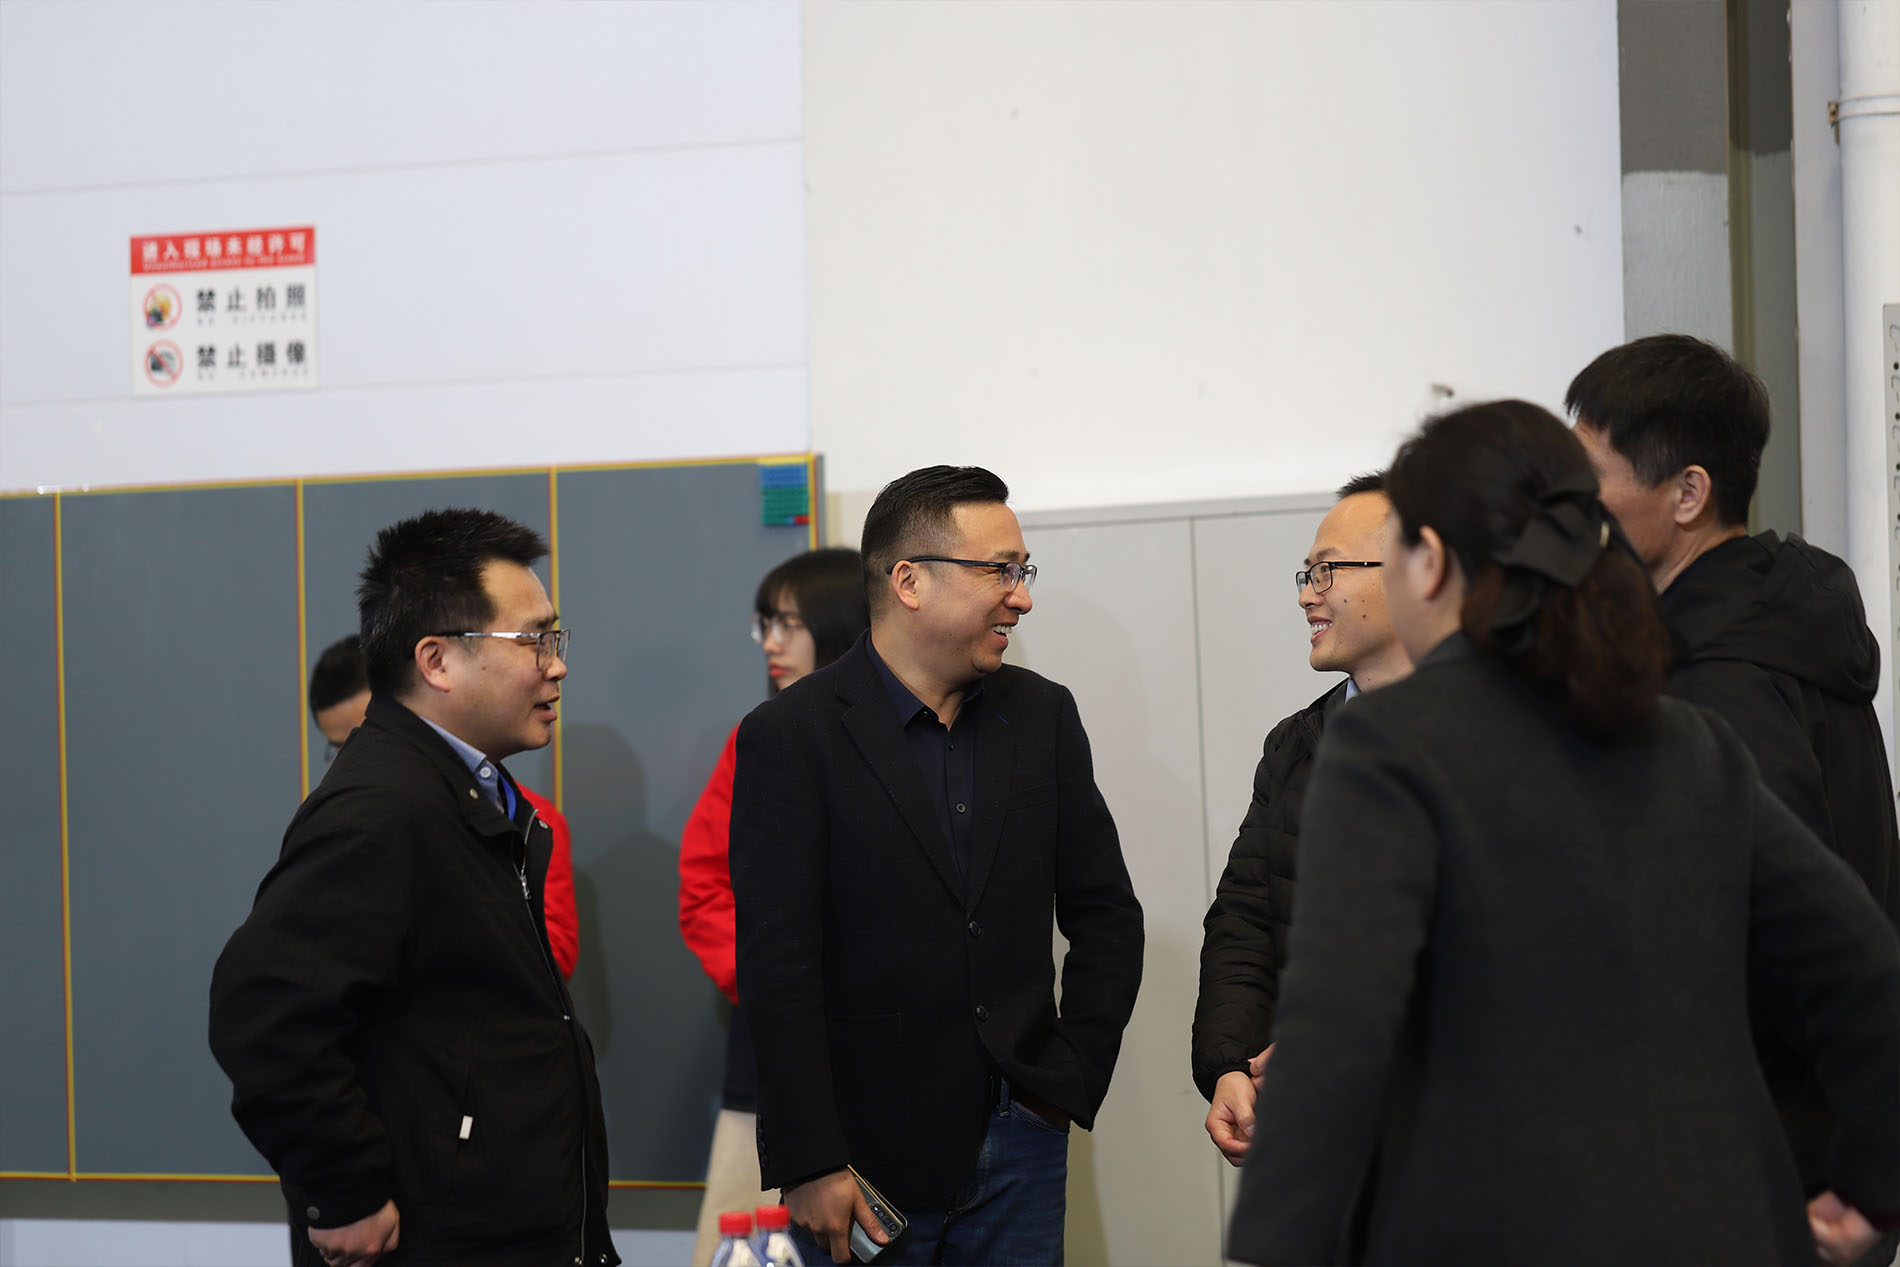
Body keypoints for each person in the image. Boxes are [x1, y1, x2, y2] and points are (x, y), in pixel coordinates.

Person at [1226, 401, 1900, 1267]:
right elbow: (1864, 968)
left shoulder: (1392, 745)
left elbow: (1338, 1025)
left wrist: (1281, 1237)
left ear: (1432, 563)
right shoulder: (1688, 741)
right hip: (1724, 1224)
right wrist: (1876, 1177)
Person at [729, 465, 1145, 1265]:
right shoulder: (792, 735)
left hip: (1022, 1143)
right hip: (861, 1161)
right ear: (909, 581)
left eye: (1022, 571)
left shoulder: (1042, 715)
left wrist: (1066, 1076)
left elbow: (1107, 915)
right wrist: (809, 1158)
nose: (1020, 597)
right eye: (1000, 571)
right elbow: (778, 966)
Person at [209, 508, 617, 1267]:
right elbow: (264, 1011)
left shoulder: (470, 794)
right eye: (533, 639)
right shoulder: (382, 808)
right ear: (437, 660)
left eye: (555, 638)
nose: (556, 664)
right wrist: (343, 1191)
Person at [1568, 335, 1900, 1245]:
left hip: (1766, 1164)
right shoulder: (1778, 624)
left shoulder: (1721, 682)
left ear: (1688, 493)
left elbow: (1786, 934)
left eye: (1591, 479)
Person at [1192, 472, 1411, 1165]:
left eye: (1328, 571)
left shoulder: (1509, 743)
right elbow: (1244, 922)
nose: (1306, 594)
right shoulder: (1297, 744)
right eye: (1306, 572)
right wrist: (1231, 1063)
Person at [677, 548, 870, 1266]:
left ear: (841, 621)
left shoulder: (918, 735)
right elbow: (704, 890)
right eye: (765, 623)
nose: (770, 642)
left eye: (788, 622)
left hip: (900, 1062)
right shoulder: (759, 738)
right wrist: (779, 984)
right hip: (772, 1057)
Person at [308, 634, 580, 978]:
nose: (362, 752)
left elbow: (553, 955)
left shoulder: (525, 816)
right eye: (340, 746)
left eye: (371, 730)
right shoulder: (335, 819)